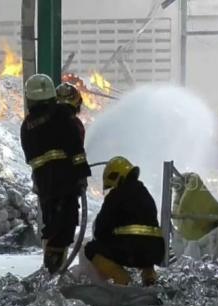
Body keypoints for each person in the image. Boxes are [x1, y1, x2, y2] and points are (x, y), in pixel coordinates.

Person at [20, 74, 91, 274]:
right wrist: (81, 173)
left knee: (53, 222)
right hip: (64, 177)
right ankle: (54, 269)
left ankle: (52, 267)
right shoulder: (60, 115)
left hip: (43, 182)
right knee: (65, 223)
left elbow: (31, 157)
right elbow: (74, 146)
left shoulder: (27, 124)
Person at [83, 156, 165, 286]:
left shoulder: (115, 195)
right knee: (144, 247)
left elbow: (100, 229)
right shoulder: (145, 193)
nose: (111, 188)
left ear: (117, 177)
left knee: (90, 249)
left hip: (131, 249)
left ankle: (122, 279)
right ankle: (149, 276)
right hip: (156, 250)